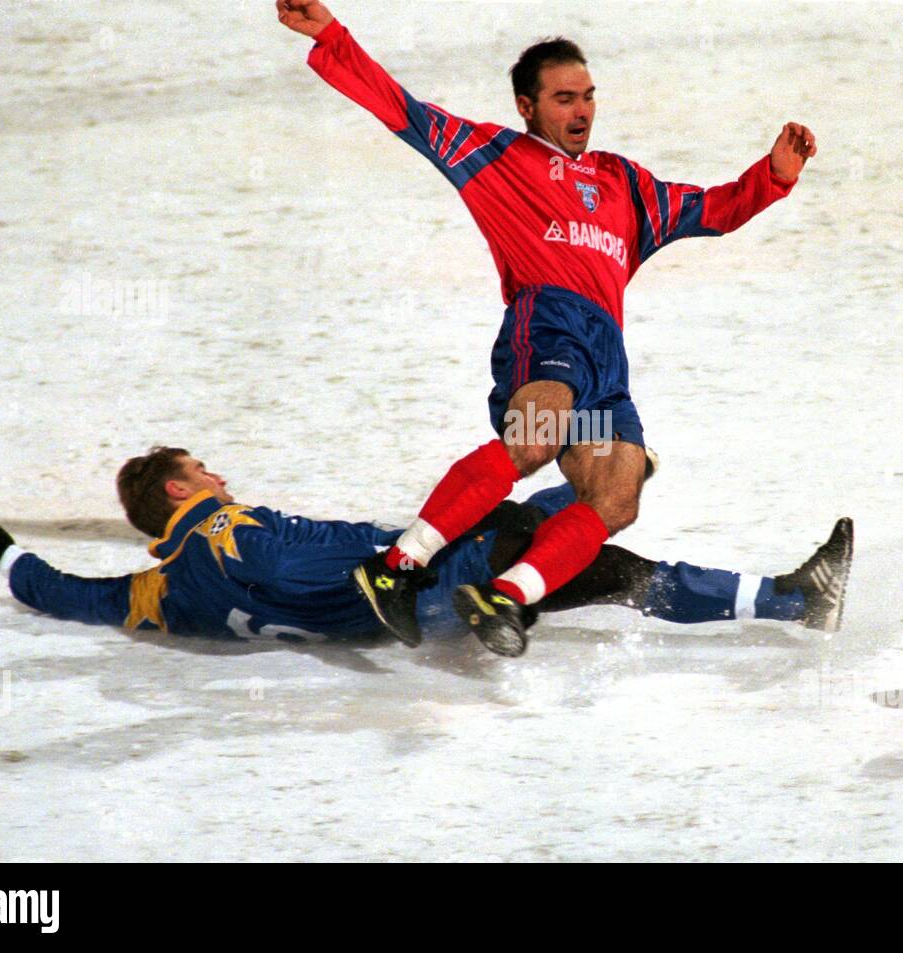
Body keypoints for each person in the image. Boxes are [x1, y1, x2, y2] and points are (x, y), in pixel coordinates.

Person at [276, 1, 822, 655]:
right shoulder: (494, 156)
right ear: (528, 106)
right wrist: (332, 38)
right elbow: (403, 110)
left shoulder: (625, 184)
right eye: (565, 98)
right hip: (550, 327)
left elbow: (713, 209)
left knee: (617, 494)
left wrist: (774, 176)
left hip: (604, 366)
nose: (582, 111)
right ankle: (394, 568)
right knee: (533, 441)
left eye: (588, 96)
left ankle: (505, 598)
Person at [0, 447, 852, 654]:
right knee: (606, 537)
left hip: (403, 605)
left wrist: (5, 557)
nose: (220, 474)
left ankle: (783, 597)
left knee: (596, 512)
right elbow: (302, 571)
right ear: (182, 490)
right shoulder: (225, 528)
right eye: (204, 468)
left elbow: (72, 595)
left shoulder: (159, 591)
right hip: (426, 581)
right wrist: (403, 570)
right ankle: (789, 599)